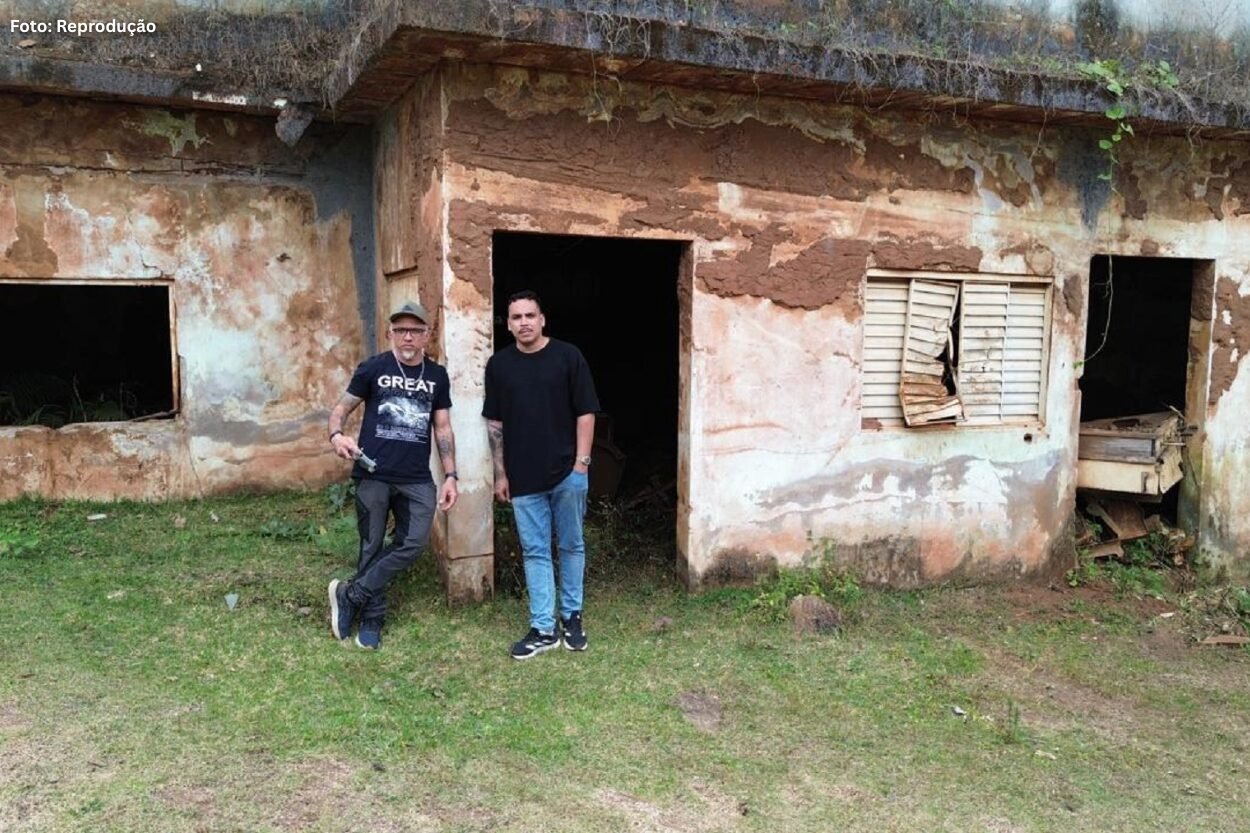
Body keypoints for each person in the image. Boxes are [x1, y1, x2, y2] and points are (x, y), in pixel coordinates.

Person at [326, 300, 459, 649]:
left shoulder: (436, 376)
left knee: (412, 543)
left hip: (416, 478)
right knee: (371, 545)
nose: (408, 338)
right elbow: (340, 409)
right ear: (390, 334)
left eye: (415, 330)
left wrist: (451, 475)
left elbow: (442, 428)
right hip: (373, 474)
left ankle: (350, 594)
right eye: (401, 330)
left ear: (427, 335)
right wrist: (337, 436)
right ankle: (372, 619)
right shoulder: (373, 368)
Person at [483, 290, 599, 660]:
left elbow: (586, 412)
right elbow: (495, 423)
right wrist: (501, 474)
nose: (524, 323)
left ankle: (572, 617)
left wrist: (581, 464)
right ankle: (543, 627)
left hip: (567, 472)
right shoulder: (499, 366)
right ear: (509, 323)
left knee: (571, 545)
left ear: (542, 318)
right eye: (516, 317)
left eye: (530, 315)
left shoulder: (568, 356)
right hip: (522, 477)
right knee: (534, 551)